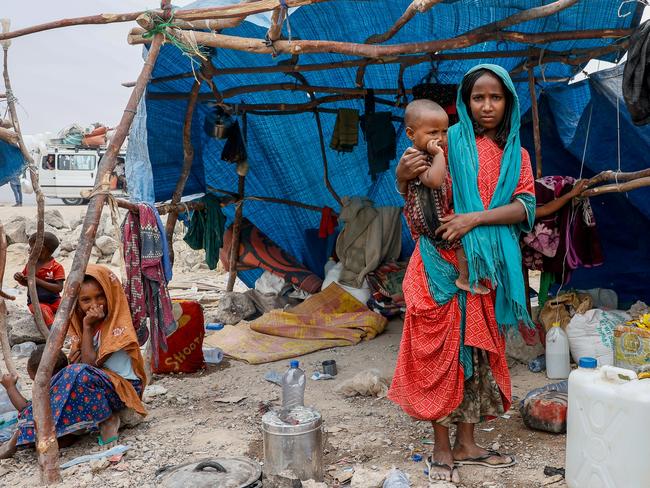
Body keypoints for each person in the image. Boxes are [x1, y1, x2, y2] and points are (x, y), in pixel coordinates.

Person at [389, 64, 536, 484]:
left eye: (496, 97)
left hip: (483, 269)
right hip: (438, 267)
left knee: (475, 354)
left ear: (508, 101)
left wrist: (473, 219)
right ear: (464, 103)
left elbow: (525, 208)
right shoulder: (445, 141)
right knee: (441, 354)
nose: (487, 106)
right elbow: (416, 195)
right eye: (478, 97)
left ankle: (467, 443)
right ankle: (440, 448)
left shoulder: (517, 156)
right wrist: (400, 179)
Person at [0, 265, 147, 458]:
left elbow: (88, 365)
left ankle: (108, 419)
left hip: (123, 388)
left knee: (74, 372)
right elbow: (84, 365)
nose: (94, 304)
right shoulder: (81, 326)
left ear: (110, 294)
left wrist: (87, 327)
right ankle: (27, 431)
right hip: (99, 383)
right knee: (60, 382)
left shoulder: (117, 327)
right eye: (86, 300)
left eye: (100, 296)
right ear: (77, 303)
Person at [400, 99, 489, 295]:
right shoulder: (417, 156)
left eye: (444, 131)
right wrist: (439, 155)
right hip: (431, 217)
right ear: (410, 134)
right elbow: (434, 180)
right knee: (459, 236)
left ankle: (467, 276)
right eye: (433, 133)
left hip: (439, 210)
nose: (440, 138)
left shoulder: (433, 152)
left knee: (463, 231)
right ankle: (464, 278)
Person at [14, 232, 65, 329]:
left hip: (54, 300)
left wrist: (37, 280)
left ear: (42, 249)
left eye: (31, 247)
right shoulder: (31, 265)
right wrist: (19, 278)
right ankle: (52, 332)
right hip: (36, 302)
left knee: (68, 308)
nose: (29, 251)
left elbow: (59, 288)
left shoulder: (56, 267)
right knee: (44, 311)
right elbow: (27, 283)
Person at [0, 345, 69, 412]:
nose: (35, 385)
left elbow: (26, 409)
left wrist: (10, 387)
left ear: (46, 378)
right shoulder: (68, 379)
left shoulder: (57, 393)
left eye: (35, 381)